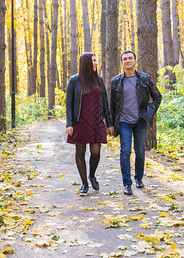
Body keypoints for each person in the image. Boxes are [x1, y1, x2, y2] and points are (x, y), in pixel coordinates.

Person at [109, 50, 162, 195]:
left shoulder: (145, 79)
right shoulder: (115, 81)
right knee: (125, 151)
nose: (127, 61)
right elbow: (112, 105)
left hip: (140, 121)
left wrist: (149, 112)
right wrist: (111, 124)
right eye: (124, 59)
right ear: (122, 63)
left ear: (135, 61)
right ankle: (127, 183)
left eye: (130, 58)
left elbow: (157, 96)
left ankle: (139, 178)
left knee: (139, 151)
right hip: (123, 121)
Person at [65, 52, 112, 196]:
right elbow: (69, 102)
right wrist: (69, 123)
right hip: (80, 121)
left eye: (96, 60)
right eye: (93, 61)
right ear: (86, 63)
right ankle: (84, 183)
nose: (96, 63)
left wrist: (109, 122)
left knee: (96, 152)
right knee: (80, 152)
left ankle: (92, 175)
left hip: (96, 121)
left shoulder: (99, 80)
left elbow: (104, 101)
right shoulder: (74, 80)